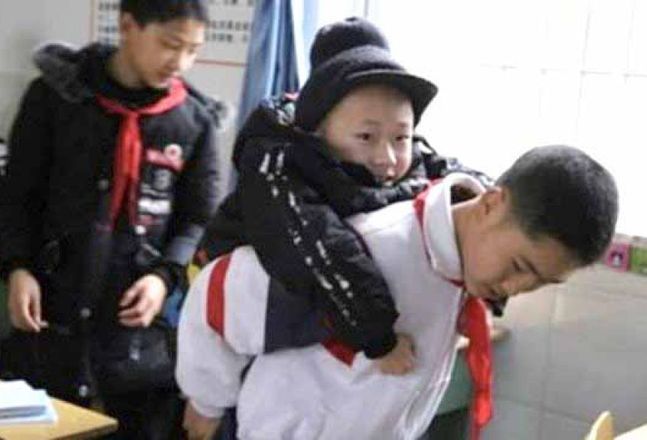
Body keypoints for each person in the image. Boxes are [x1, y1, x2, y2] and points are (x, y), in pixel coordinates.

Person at [178, 145, 618, 440]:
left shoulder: (458, 268)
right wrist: (206, 400)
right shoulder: (368, 251)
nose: (517, 289)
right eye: (520, 267)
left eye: (540, 282)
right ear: (490, 204)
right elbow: (218, 294)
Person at [0, 0, 220, 438]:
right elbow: (16, 196)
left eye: (193, 50)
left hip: (136, 341)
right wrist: (17, 268)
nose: (180, 62)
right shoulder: (55, 98)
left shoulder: (194, 121)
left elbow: (198, 219)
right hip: (50, 318)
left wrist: (164, 277)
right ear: (127, 26)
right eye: (170, 44)